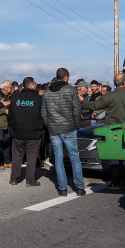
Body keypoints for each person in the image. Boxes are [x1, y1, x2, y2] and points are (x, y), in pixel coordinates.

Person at [82, 72, 125, 187]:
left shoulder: (108, 97)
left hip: (111, 131)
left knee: (112, 156)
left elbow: (94, 106)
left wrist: (82, 100)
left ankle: (116, 181)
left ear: (115, 84)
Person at [42, 69, 87, 197]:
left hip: (54, 129)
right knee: (74, 157)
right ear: (66, 77)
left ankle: (62, 188)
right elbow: (76, 110)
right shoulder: (71, 90)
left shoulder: (47, 92)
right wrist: (76, 126)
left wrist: (49, 125)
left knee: (58, 158)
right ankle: (79, 187)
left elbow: (43, 113)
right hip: (69, 128)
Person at [8, 77, 44, 187]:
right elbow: (43, 116)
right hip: (33, 132)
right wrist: (41, 127)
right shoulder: (39, 99)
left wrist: (12, 126)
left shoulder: (14, 98)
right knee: (31, 156)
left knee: (17, 156)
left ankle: (14, 178)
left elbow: (10, 115)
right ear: (32, 85)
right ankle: (30, 179)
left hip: (18, 131)